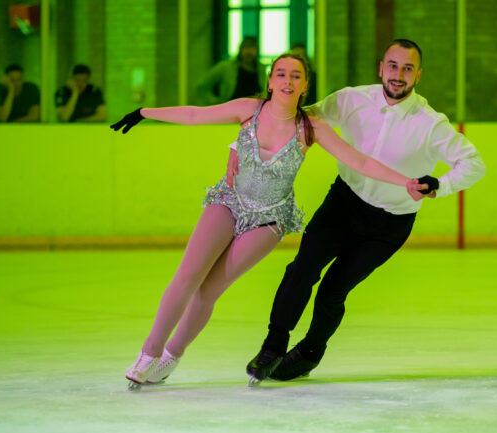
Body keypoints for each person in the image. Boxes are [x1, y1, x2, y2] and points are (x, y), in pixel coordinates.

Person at [110, 53, 425, 389]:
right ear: (271, 81)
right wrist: (144, 112)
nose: (288, 81)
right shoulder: (249, 109)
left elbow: (360, 162)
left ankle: (171, 356)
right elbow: (195, 115)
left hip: (269, 219)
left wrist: (406, 182)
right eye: (281, 74)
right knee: (187, 277)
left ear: (305, 86)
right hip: (228, 201)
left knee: (207, 291)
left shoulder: (310, 127)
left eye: (296, 76)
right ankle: (148, 354)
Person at [243, 39, 486, 383]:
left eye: (407, 68)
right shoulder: (352, 99)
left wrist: (440, 184)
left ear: (418, 75)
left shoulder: (431, 124)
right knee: (302, 268)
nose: (398, 74)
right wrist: (267, 113)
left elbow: (474, 164)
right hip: (343, 203)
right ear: (381, 68)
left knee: (333, 290)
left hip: (388, 226)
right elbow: (305, 117)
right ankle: (273, 346)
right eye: (393, 65)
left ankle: (309, 353)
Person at [196, 36, 266, 106]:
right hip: (230, 110)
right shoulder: (226, 67)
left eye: (252, 48)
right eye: (246, 47)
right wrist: (215, 103)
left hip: (255, 111)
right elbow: (202, 85)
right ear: (240, 49)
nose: (249, 51)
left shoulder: (262, 70)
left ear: (257, 50)